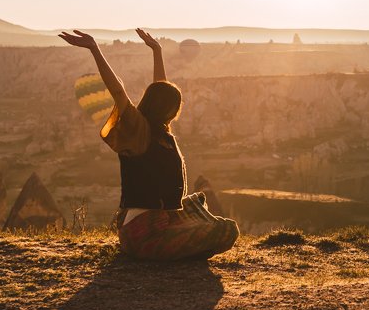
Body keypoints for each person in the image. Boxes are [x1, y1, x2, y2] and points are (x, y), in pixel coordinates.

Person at [59, 28, 239, 260]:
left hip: (161, 220)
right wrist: (95, 49)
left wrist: (157, 50)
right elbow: (118, 91)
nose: (177, 110)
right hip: (143, 231)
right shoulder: (139, 131)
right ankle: (172, 250)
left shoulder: (160, 131)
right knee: (223, 230)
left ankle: (181, 247)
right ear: (167, 108)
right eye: (175, 105)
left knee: (197, 203)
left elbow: (159, 87)